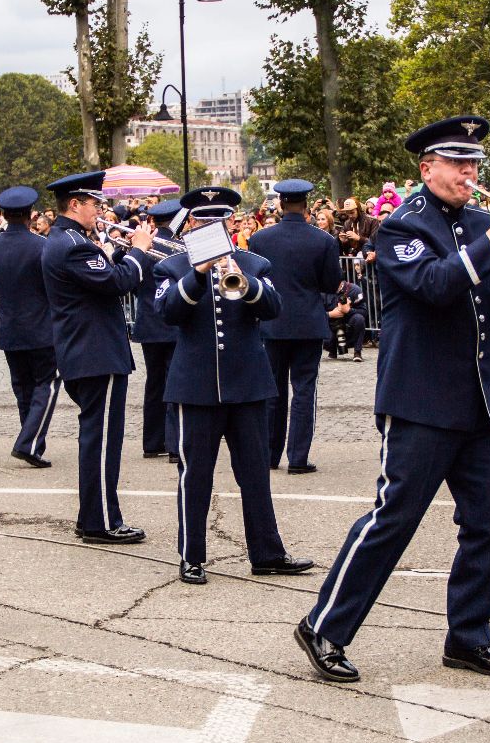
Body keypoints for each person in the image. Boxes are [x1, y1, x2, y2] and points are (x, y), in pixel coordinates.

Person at [295, 115, 490, 683]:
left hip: (485, 401)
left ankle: (469, 637)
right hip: (423, 401)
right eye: (458, 164)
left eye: (475, 164)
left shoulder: (486, 223)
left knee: (489, 521)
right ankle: (324, 625)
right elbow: (436, 286)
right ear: (426, 167)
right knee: (394, 519)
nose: (470, 173)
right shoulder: (400, 227)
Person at [154, 186, 314, 584]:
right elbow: (168, 312)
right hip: (196, 386)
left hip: (248, 384)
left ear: (229, 222)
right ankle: (192, 556)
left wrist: (243, 280)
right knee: (196, 475)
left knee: (255, 473)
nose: (211, 227)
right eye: (204, 221)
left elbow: (274, 308)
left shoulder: (254, 262)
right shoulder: (171, 268)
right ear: (191, 224)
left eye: (218, 221)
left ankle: (267, 552)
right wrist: (198, 273)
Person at [41, 171, 154, 544]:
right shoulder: (74, 244)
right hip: (95, 353)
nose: (100, 211)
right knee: (102, 440)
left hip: (87, 351)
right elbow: (117, 283)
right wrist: (138, 248)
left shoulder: (68, 239)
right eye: (95, 204)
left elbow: (102, 276)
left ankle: (92, 514)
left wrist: (120, 253)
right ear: (74, 205)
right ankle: (101, 521)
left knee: (97, 437)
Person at [247, 179, 341, 474]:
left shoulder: (261, 239)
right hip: (308, 322)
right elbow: (330, 283)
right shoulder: (324, 240)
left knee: (273, 391)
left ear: (282, 203)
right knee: (304, 391)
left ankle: (270, 454)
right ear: (305, 205)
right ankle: (298, 457)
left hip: (273, 321)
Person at [0, 185, 60, 468]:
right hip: (40, 326)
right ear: (29, 215)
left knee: (23, 389)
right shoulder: (42, 245)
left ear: (2, 215)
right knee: (46, 383)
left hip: (10, 326)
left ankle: (32, 442)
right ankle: (29, 442)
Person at [130, 199, 183, 461]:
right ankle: (174, 445)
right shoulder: (183, 248)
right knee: (175, 382)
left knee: (154, 383)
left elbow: (129, 279)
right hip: (174, 323)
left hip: (149, 323)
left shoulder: (140, 249)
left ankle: (152, 443)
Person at [323, 279, 367, 362]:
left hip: (348, 325)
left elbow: (364, 312)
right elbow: (315, 314)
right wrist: (330, 314)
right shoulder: (322, 291)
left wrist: (349, 310)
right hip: (332, 325)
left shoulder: (355, 290)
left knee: (359, 319)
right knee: (326, 341)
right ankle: (332, 349)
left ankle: (357, 352)